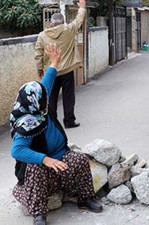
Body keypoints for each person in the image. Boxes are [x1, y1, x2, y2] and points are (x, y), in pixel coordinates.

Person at [11, 44, 102, 225]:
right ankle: (40, 215)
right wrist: (45, 160)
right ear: (36, 104)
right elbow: (17, 150)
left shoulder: (39, 104)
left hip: (60, 159)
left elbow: (47, 83)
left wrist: (54, 63)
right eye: (44, 98)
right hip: (42, 169)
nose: (48, 98)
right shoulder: (26, 123)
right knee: (35, 169)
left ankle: (84, 199)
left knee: (80, 160)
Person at [34, 0, 86, 129]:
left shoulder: (42, 35)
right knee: (68, 97)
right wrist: (82, 7)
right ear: (62, 22)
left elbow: (38, 54)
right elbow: (79, 20)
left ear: (51, 22)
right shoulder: (68, 30)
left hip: (52, 71)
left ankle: (52, 123)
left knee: (51, 98)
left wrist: (40, 69)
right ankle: (69, 121)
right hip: (67, 71)